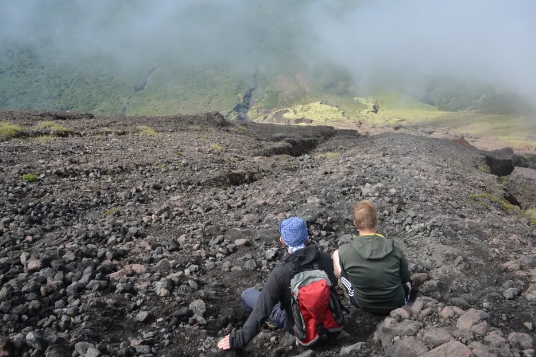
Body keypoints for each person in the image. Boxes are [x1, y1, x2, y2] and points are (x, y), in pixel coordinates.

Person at [217, 217, 338, 350]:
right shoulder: (326, 259)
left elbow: (261, 311)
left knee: (248, 295)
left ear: (282, 241)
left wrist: (239, 339)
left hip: (302, 331)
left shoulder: (280, 273)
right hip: (332, 326)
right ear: (307, 238)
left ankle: (274, 322)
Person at [332, 200, 411, 315]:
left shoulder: (344, 251)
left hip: (364, 304)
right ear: (376, 221)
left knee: (337, 260)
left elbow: (341, 275)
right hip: (397, 304)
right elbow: (405, 278)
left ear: (355, 223)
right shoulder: (394, 249)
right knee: (409, 284)